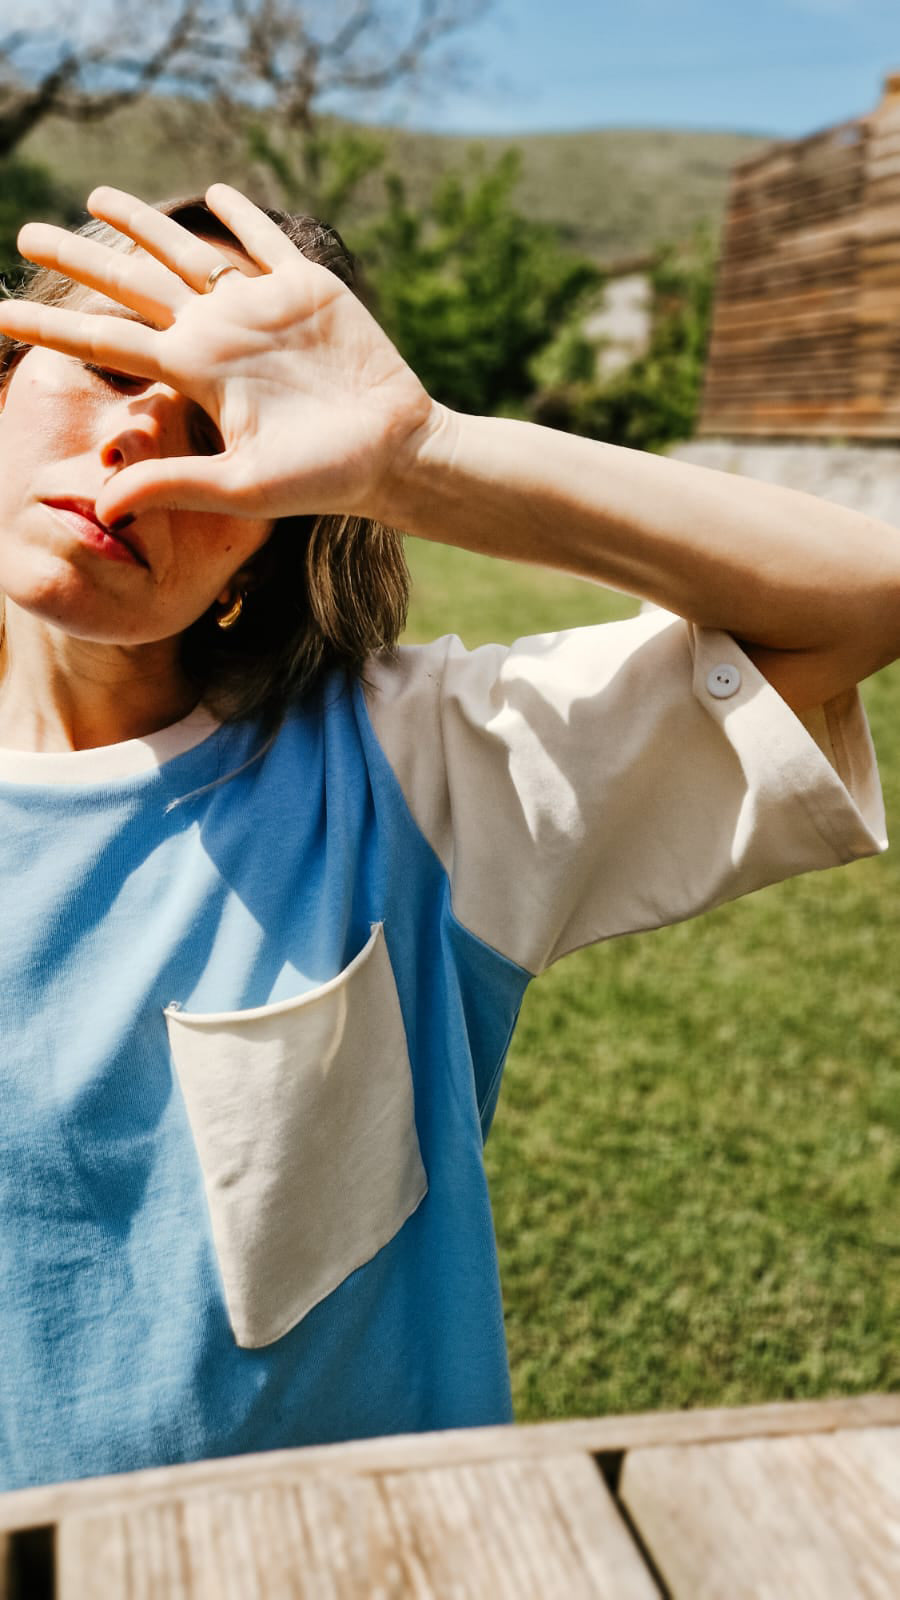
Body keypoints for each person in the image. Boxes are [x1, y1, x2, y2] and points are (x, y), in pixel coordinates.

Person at [0, 184, 890, 1493]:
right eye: (114, 368)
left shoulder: (412, 766)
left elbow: (863, 600)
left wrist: (414, 455)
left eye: (219, 421)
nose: (142, 436)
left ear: (262, 552)